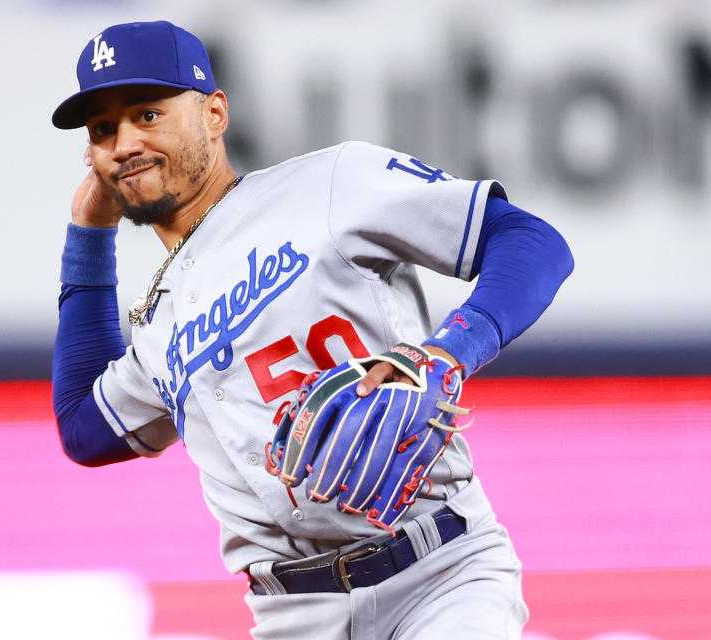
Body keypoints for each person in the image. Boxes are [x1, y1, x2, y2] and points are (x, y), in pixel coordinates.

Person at [50, 20, 573, 640]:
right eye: (103, 130)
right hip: (292, 613)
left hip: (440, 573)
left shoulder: (330, 185)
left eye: (147, 114)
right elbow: (86, 427)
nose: (125, 142)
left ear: (215, 114)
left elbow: (532, 242)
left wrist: (446, 354)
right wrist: (88, 233)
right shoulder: (160, 322)